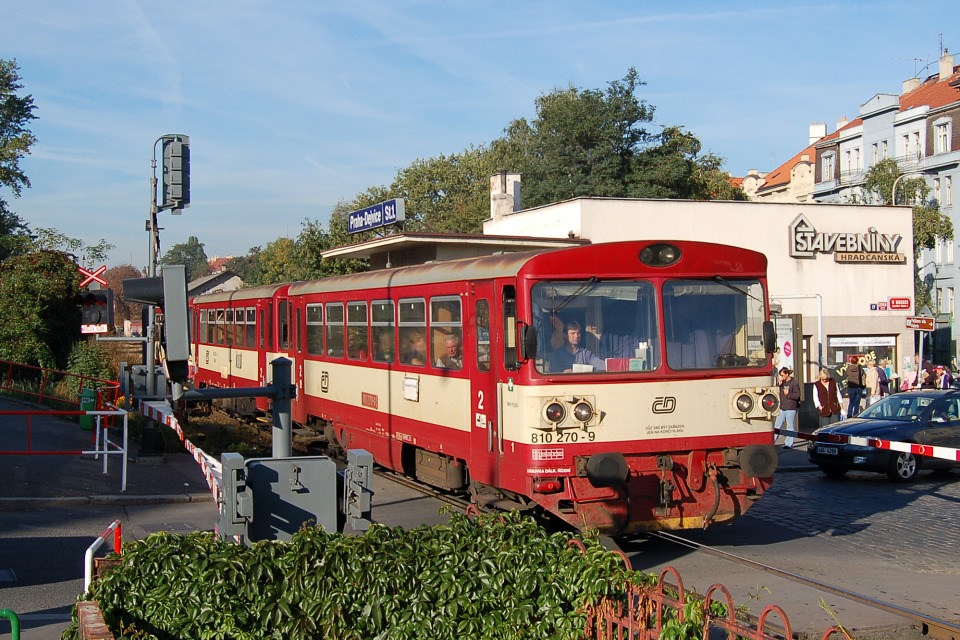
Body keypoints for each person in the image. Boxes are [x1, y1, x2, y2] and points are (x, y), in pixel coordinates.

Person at [775, 367, 802, 448]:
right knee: (777, 425)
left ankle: (788, 443)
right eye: (780, 375)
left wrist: (788, 394)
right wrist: (778, 385)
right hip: (782, 407)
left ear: (787, 374)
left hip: (790, 407)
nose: (781, 377)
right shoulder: (782, 383)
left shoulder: (794, 383)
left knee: (789, 425)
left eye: (783, 375)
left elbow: (797, 395)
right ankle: (772, 441)